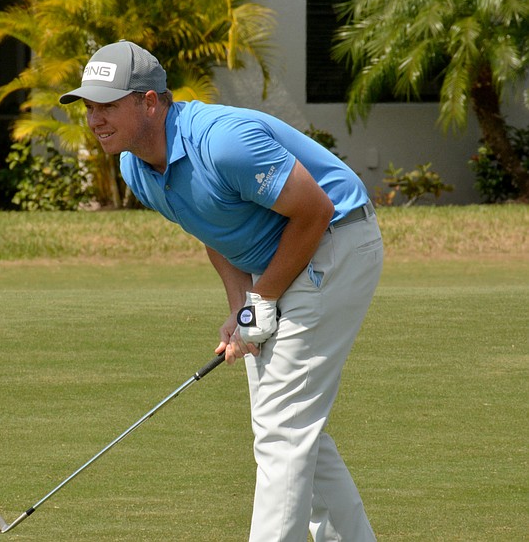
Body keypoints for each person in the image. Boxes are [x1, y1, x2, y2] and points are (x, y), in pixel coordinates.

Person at [60, 40, 383, 542]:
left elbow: (315, 212)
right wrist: (240, 310)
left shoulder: (224, 141)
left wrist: (261, 302)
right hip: (280, 260)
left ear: (149, 102)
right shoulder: (134, 166)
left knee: (281, 427)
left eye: (107, 105)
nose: (95, 119)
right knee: (289, 427)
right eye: (89, 106)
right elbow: (215, 229)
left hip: (336, 241)